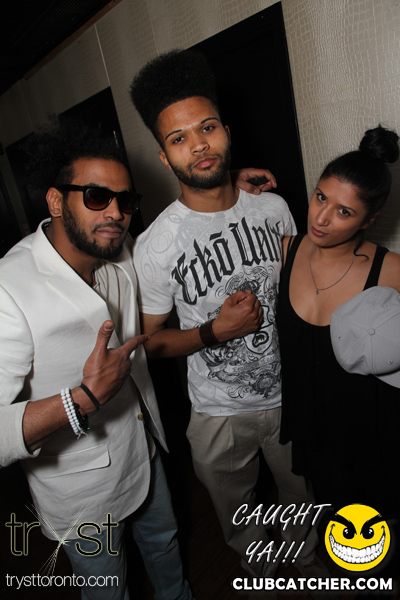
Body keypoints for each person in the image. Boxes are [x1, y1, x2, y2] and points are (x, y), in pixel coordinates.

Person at [130, 49, 325, 584]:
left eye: (207, 127)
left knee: (301, 496)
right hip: (217, 412)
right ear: (164, 157)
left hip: (289, 396)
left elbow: (300, 289)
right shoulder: (156, 245)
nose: (198, 144)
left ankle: (307, 563)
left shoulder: (272, 207)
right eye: (179, 138)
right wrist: (215, 331)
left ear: (226, 132)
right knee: (238, 513)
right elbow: (152, 342)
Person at [0, 121, 193, 600]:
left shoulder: (116, 248)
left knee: (166, 548)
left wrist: (225, 192)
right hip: (80, 492)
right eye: (96, 196)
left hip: (143, 452)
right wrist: (82, 399)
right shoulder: (9, 290)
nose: (115, 213)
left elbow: (165, 239)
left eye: (125, 201)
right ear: (55, 201)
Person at [276, 125, 400, 583]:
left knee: (377, 539)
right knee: (338, 528)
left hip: (372, 432)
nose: (322, 218)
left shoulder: (390, 269)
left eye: (344, 211)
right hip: (314, 428)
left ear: (369, 220)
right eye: (320, 197)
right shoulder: (287, 250)